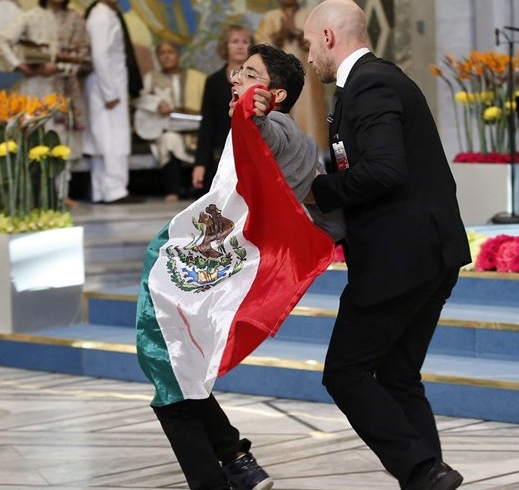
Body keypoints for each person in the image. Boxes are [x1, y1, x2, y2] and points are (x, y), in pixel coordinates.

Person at [138, 43, 340, 490]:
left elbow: (261, 126)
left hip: (226, 272)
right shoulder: (287, 138)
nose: (235, 79)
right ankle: (234, 456)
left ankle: (221, 470)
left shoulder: (275, 128)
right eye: (239, 72)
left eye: (248, 73)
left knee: (169, 371)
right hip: (216, 264)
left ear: (277, 94)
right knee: (176, 366)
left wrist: (255, 104)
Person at [302, 1, 471, 489]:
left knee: (346, 372)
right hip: (430, 255)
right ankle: (429, 479)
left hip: (400, 259)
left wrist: (319, 191)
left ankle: (420, 470)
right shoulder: (379, 79)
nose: (310, 57)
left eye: (311, 43)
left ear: (329, 38)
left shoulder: (369, 83)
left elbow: (384, 169)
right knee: (397, 375)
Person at [0, 0, 91, 209]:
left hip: (64, 87)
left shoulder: (74, 19)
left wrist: (58, 66)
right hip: (36, 89)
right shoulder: (32, 16)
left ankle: (61, 194)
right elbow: (0, 40)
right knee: (35, 139)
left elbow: (85, 56)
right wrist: (20, 65)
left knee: (62, 141)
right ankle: (34, 195)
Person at [83, 0, 144, 204]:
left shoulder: (107, 14)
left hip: (108, 85)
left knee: (104, 139)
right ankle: (114, 190)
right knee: (111, 139)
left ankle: (102, 190)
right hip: (107, 87)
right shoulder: (100, 16)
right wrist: (109, 93)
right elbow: (99, 56)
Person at [134, 41, 206, 202]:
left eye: (170, 52)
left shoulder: (196, 78)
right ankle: (172, 191)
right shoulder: (152, 78)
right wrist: (156, 103)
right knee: (169, 140)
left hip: (193, 128)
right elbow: (139, 100)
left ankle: (202, 190)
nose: (166, 56)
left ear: (178, 55)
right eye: (162, 53)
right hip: (167, 128)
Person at [255, 0, 329, 153]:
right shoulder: (270, 18)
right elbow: (261, 52)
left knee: (311, 126)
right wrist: (279, 36)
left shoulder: (309, 15)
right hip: (278, 82)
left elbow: (321, 45)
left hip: (308, 84)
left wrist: (295, 32)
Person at [191, 25, 252, 193]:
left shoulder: (258, 80)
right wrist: (200, 164)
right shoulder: (213, 81)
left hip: (252, 152)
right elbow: (207, 125)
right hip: (221, 155)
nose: (240, 46)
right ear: (225, 46)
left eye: (245, 41)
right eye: (235, 41)